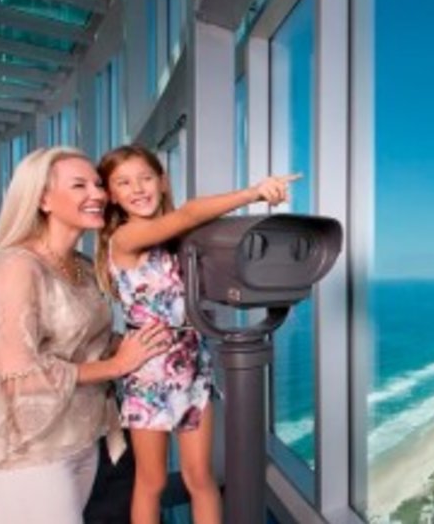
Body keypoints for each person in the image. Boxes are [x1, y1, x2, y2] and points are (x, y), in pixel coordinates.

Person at [0, 147, 173, 524]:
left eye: (98, 184)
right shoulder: (16, 266)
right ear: (43, 199)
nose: (98, 194)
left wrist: (153, 339)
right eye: (79, 185)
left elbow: (89, 339)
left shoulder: (82, 267)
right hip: (25, 450)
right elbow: (19, 374)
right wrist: (118, 365)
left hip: (79, 437)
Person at [94, 144, 299, 524]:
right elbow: (189, 212)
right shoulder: (124, 238)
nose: (138, 189)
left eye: (145, 178)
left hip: (192, 363)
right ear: (111, 195)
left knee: (200, 477)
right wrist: (254, 192)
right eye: (124, 183)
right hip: (149, 369)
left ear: (162, 181)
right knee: (151, 481)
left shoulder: (181, 240)